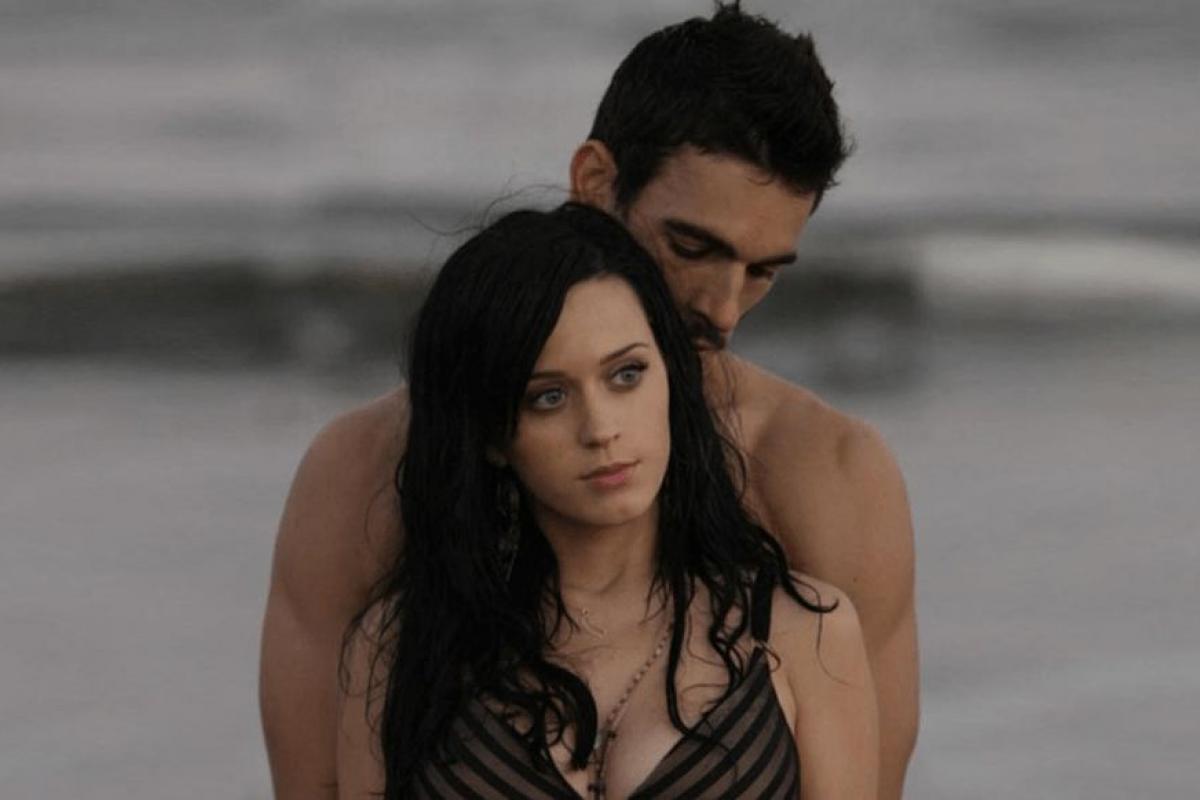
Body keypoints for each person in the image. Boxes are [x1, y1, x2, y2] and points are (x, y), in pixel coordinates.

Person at [260, 4, 917, 797]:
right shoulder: (363, 469)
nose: (723, 310)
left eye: (762, 272)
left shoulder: (825, 473)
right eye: (691, 247)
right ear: (597, 183)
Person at [336, 203, 878, 799]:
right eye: (548, 397)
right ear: (491, 436)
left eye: (626, 375)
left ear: (671, 378)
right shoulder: (398, 646)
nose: (601, 429)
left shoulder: (805, 634)